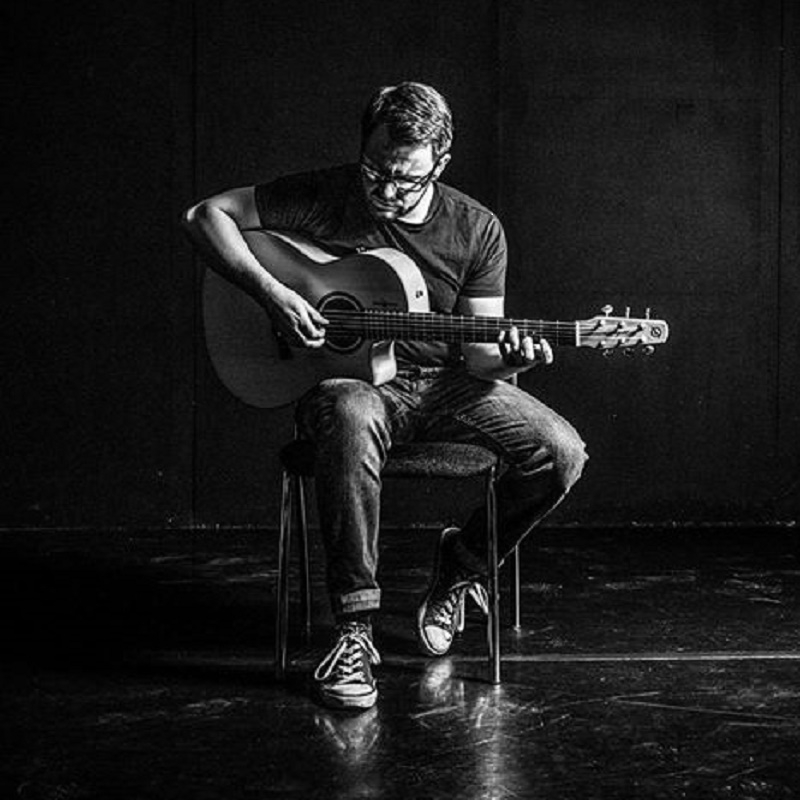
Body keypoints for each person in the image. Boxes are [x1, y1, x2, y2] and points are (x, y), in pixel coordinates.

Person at [182, 82, 587, 711]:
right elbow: (204, 216)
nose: (387, 191)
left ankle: (461, 566)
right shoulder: (325, 193)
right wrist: (274, 294)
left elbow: (482, 358)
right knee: (348, 409)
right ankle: (354, 632)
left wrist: (514, 356)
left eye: (407, 179)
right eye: (376, 171)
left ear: (441, 163)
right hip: (355, 386)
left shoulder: (477, 229)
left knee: (561, 452)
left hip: (447, 386)